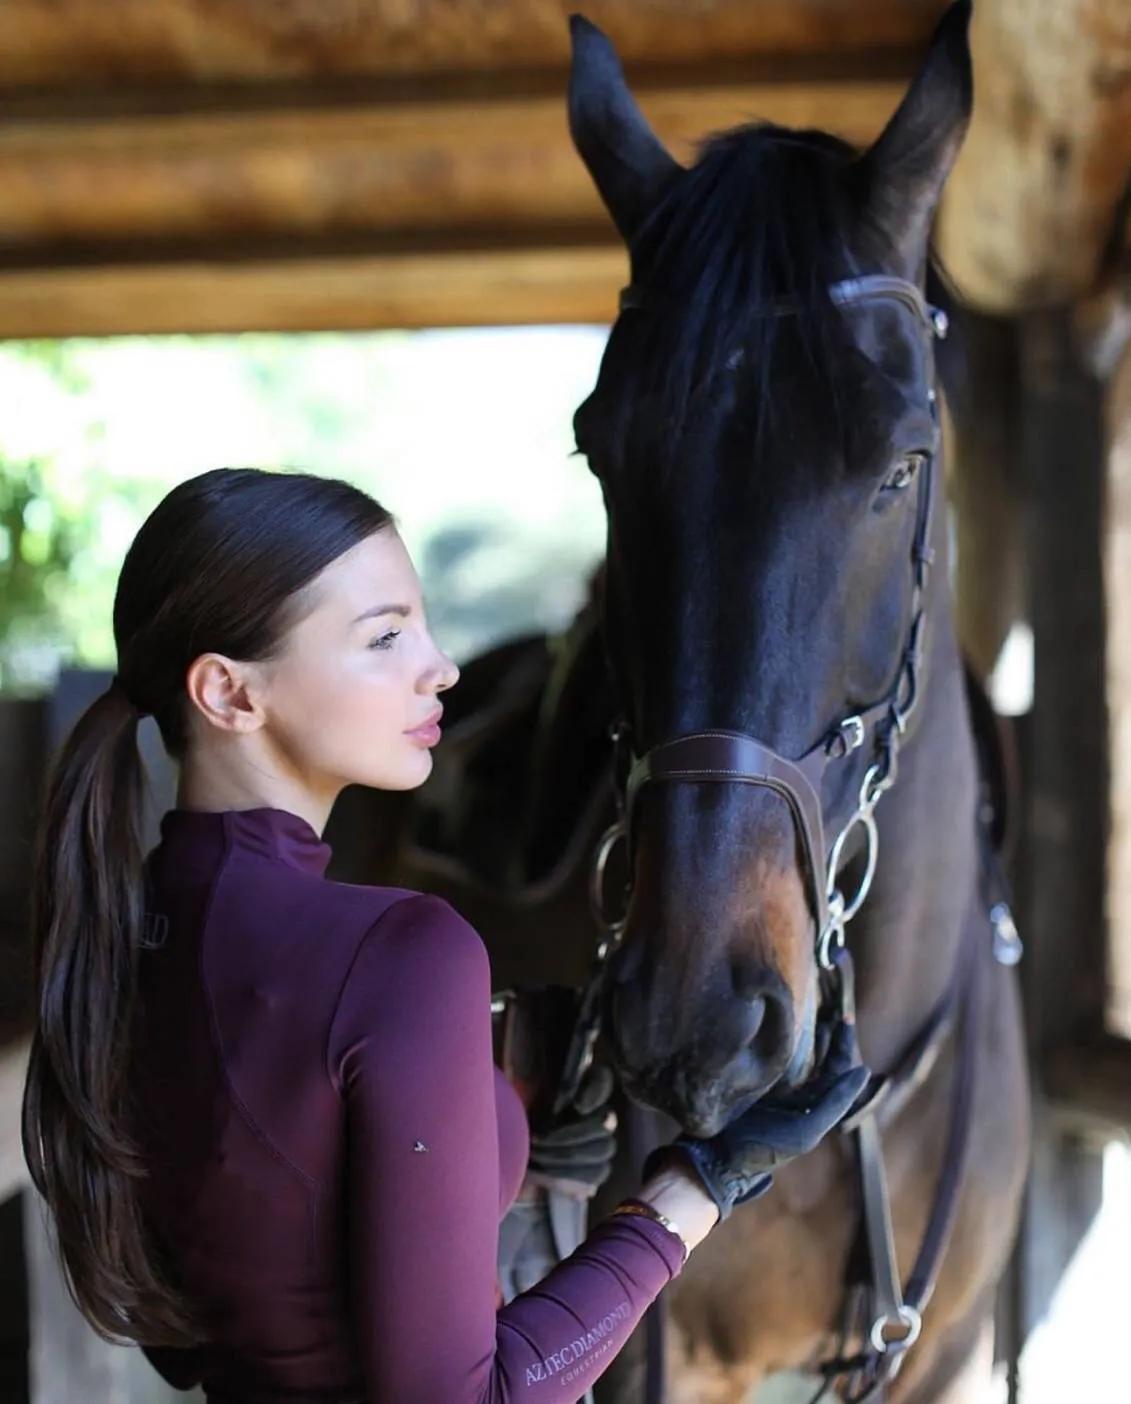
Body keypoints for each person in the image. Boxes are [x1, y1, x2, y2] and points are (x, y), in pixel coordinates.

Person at [20, 467, 867, 1402]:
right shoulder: (402, 952)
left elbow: (205, 1316)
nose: (443, 667)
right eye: (384, 636)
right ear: (228, 693)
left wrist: (499, 1115)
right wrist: (691, 1191)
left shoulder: (123, 938)